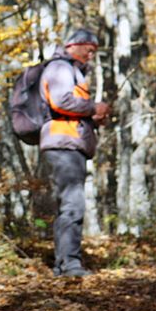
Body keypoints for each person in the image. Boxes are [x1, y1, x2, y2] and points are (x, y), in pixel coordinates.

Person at [39, 29, 110, 278]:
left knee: (68, 205)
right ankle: (70, 265)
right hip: (63, 143)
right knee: (73, 204)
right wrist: (94, 107)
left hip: (69, 143)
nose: (91, 55)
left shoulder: (73, 70)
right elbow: (61, 101)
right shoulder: (60, 67)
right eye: (88, 49)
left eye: (94, 51)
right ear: (73, 45)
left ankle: (63, 264)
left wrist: (94, 117)